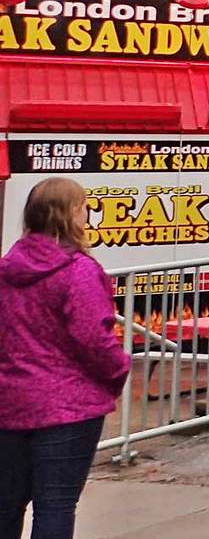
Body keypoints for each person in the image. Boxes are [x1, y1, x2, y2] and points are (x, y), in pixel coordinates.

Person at [0, 177, 130, 539]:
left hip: (10, 400)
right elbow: (93, 337)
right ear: (73, 214)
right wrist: (118, 370)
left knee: (6, 503)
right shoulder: (78, 271)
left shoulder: (7, 268)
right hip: (68, 405)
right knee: (55, 505)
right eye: (84, 206)